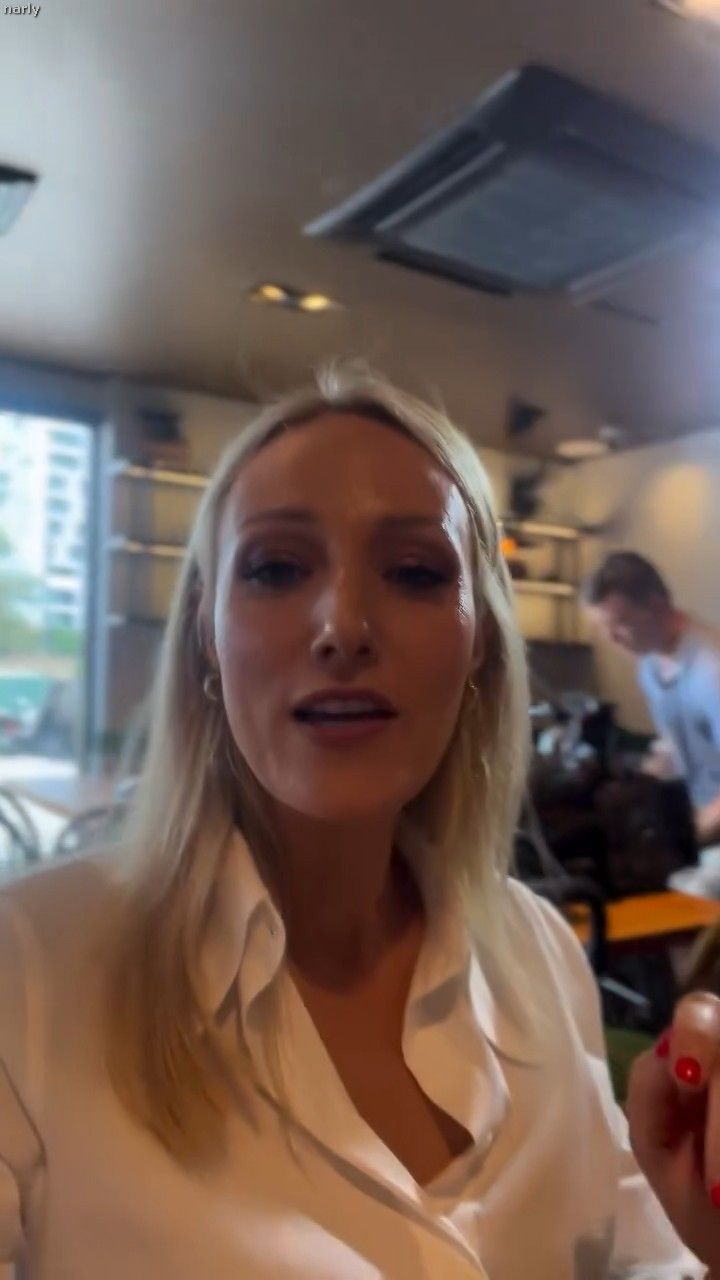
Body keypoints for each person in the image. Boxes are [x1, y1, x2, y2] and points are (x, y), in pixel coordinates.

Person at [0, 368, 719, 1279]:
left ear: (479, 644)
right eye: (275, 568)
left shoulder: (540, 948)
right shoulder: (27, 971)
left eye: (416, 573)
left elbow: (641, 1259)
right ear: (207, 636)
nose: (342, 625)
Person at [584, 551, 720, 896]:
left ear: (658, 607)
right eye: (604, 629)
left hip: (712, 833)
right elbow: (677, 746)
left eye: (620, 624)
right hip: (704, 829)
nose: (613, 639)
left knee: (681, 895)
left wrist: (696, 829)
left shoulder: (711, 669)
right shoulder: (650, 664)